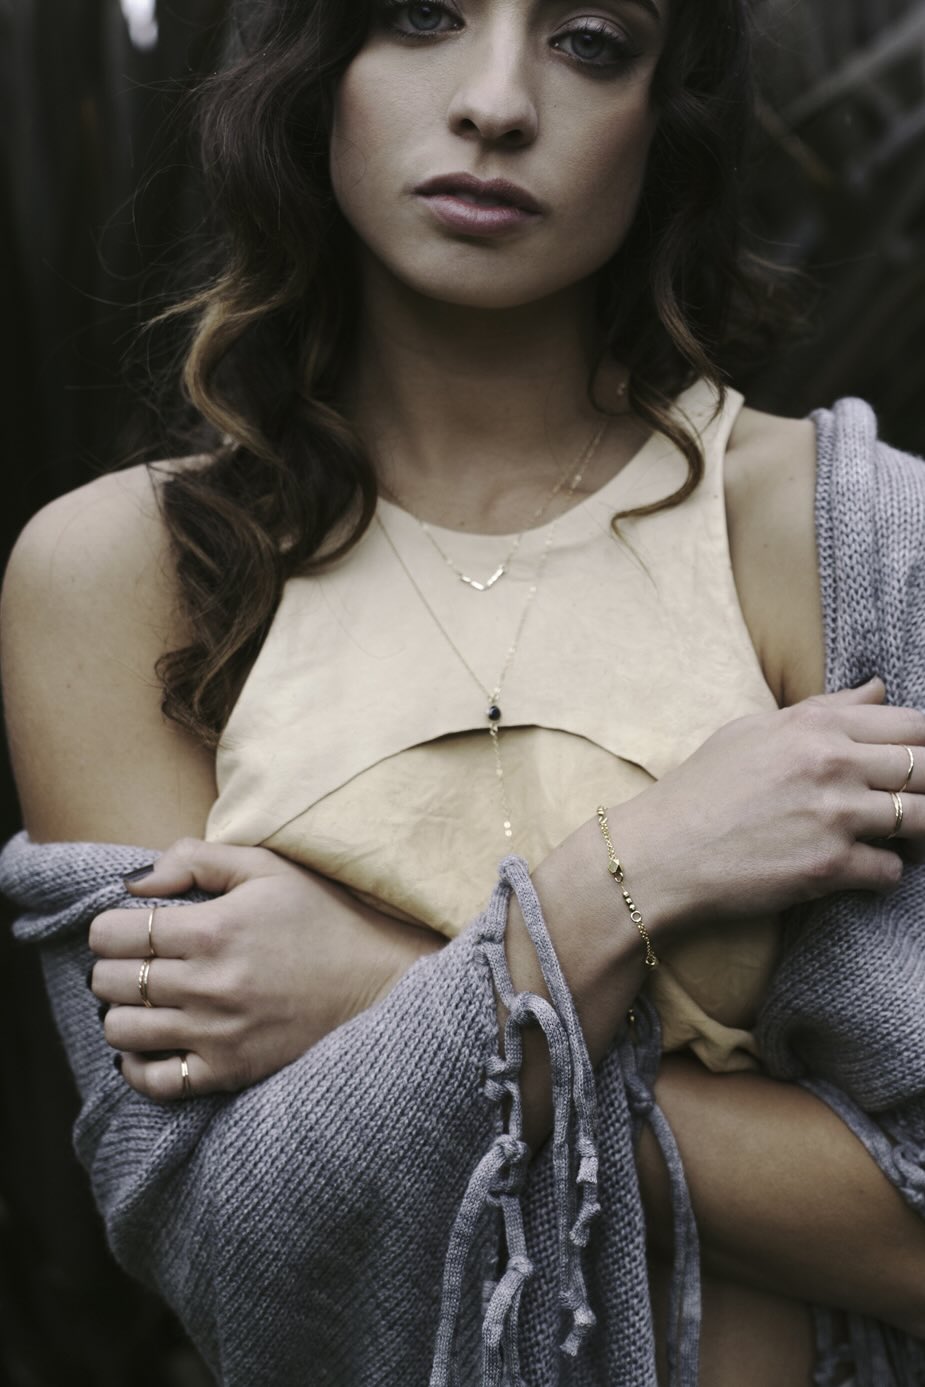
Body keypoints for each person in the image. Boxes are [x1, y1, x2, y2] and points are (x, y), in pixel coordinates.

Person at [2, 1, 925, 1383]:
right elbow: (235, 1246)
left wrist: (369, 989)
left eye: (590, 41)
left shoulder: (847, 539)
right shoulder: (127, 576)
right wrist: (630, 877)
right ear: (315, 73)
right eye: (422, 18)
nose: (497, 101)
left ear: (664, 114)